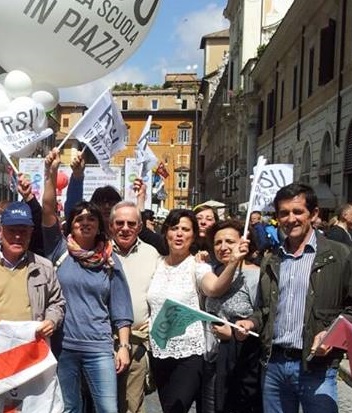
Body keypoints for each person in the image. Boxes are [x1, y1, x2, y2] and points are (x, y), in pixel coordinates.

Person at [238, 183, 352, 413]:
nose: (291, 219)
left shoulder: (340, 255)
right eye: (284, 213)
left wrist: (332, 334)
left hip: (317, 366)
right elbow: (264, 310)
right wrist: (250, 322)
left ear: (314, 214)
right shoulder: (272, 258)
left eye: (298, 211)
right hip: (274, 364)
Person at [42, 148, 133, 413]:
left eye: (91, 218)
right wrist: (52, 174)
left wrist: (124, 346)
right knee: (70, 408)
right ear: (69, 225)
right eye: (79, 219)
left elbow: (121, 310)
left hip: (100, 348)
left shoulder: (109, 259)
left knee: (107, 408)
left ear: (99, 225)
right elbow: (48, 209)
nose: (85, 222)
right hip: (63, 347)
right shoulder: (58, 251)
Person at [146, 210, 244, 413]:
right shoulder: (156, 263)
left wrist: (233, 262)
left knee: (176, 407)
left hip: (189, 353)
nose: (179, 234)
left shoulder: (198, 266)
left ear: (194, 235)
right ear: (166, 233)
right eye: (174, 228)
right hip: (159, 350)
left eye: (185, 229)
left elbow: (214, 287)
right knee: (168, 407)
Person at [0, 201, 65, 340]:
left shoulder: (45, 268)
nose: (17, 236)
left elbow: (57, 303)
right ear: (0, 231)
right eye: (12, 230)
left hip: (30, 348)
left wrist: (51, 321)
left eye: (23, 231)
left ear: (30, 233)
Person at [206, 220, 262, 413]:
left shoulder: (255, 276)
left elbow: (262, 317)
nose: (223, 247)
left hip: (241, 363)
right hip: (212, 362)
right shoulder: (216, 272)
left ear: (244, 242)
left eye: (229, 241)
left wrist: (234, 331)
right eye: (217, 242)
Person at [110, 195, 159, 413]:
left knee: (133, 405)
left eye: (131, 223)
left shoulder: (152, 254)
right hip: (103, 343)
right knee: (104, 404)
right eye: (119, 223)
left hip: (138, 344)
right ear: (111, 225)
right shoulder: (99, 252)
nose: (125, 228)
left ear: (139, 226)